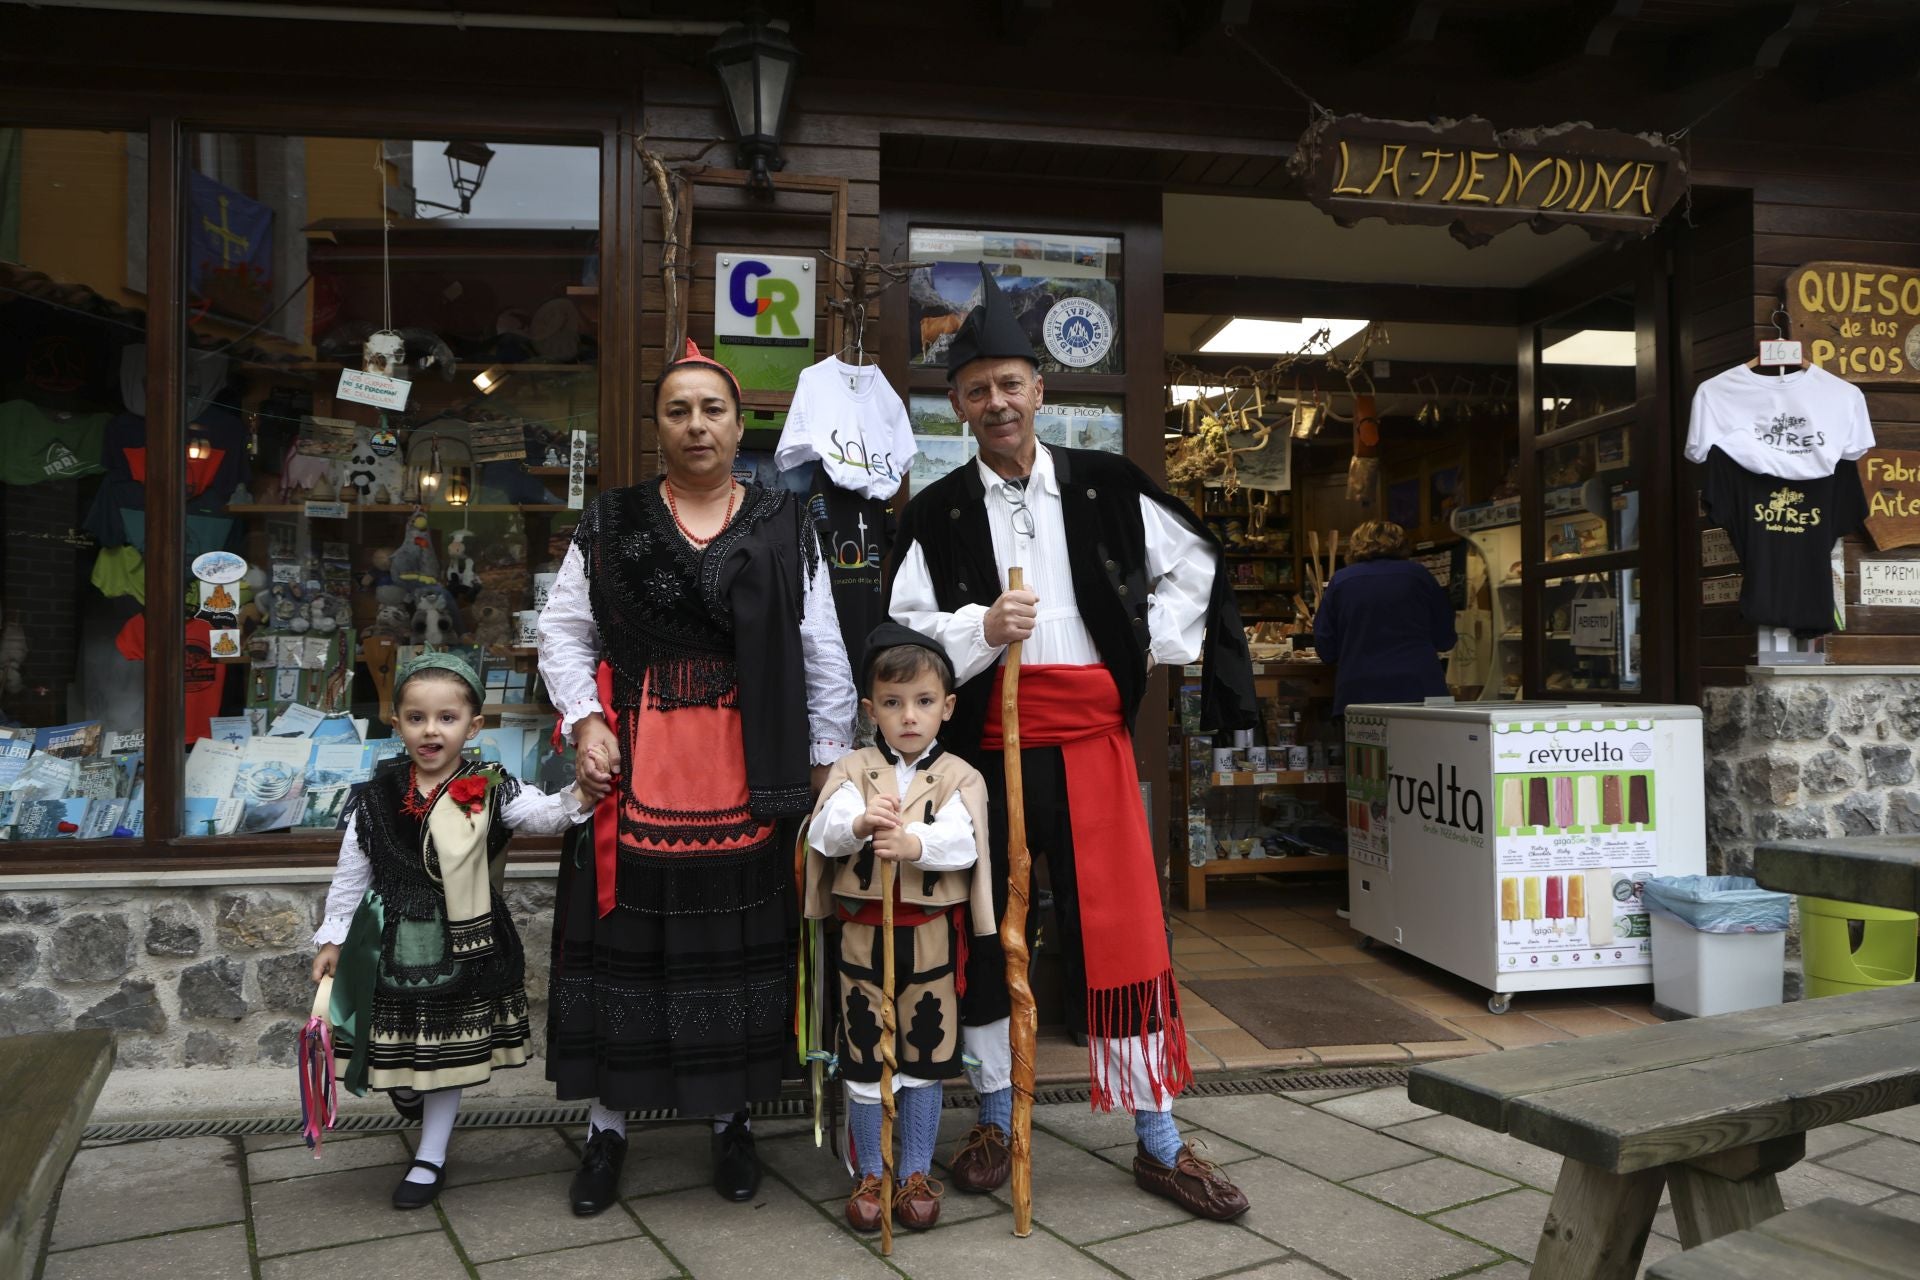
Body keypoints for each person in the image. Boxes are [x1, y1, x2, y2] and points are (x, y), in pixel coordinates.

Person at [890, 264, 1257, 1221]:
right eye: (978, 390)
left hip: (1091, 743)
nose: (998, 401)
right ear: (960, 408)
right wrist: (980, 629)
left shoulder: (1104, 486)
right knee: (987, 939)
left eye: (1012, 383)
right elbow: (903, 638)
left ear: (1040, 391)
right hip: (985, 755)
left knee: (1122, 936)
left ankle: (1160, 1140)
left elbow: (1200, 565)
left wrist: (1143, 648)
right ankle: (1000, 1120)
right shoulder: (934, 513)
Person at [537, 339, 855, 1214]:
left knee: (730, 958)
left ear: (739, 421)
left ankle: (729, 1123)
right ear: (657, 427)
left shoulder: (786, 525)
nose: (696, 424)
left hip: (751, 780)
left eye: (711, 408)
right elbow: (562, 633)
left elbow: (822, 649)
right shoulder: (610, 521)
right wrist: (587, 718)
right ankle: (607, 1130)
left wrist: (826, 763)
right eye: (677, 409)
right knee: (626, 956)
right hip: (634, 773)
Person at [310, 653, 592, 1210]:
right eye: (416, 718)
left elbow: (539, 817)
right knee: (402, 1062)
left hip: (464, 943)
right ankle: (409, 1098)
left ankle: (430, 1155)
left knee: (442, 1057)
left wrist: (581, 794)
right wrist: (333, 937)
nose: (431, 730)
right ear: (397, 724)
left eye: (446, 718)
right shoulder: (375, 797)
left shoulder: (488, 787)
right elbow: (352, 872)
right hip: (390, 942)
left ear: (473, 726)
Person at [803, 623, 995, 1234]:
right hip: (863, 935)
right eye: (892, 702)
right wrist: (859, 824)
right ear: (871, 709)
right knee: (864, 1054)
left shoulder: (961, 776)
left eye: (923, 702)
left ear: (947, 707)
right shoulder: (852, 769)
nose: (908, 716)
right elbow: (823, 832)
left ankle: (913, 1172)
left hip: (928, 936)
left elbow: (965, 844)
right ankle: (873, 1174)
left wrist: (915, 841)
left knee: (926, 1054)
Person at [1312, 519, 1456, 715]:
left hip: (1360, 691)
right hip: (1419, 689)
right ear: (1402, 543)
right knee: (1424, 745)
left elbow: (1325, 648)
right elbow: (1445, 639)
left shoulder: (1341, 581)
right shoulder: (1419, 576)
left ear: (1356, 545)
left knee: (1364, 745)